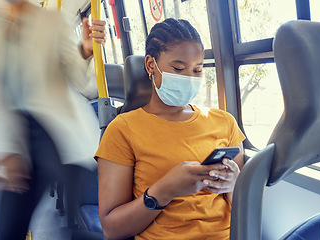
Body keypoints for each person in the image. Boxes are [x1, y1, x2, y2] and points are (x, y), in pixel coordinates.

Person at [95, 18, 245, 240]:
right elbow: (112, 228)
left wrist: (233, 186)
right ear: (150, 65)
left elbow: (243, 206)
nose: (188, 79)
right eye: (178, 68)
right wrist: (165, 190)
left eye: (197, 70)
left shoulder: (224, 122)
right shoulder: (123, 129)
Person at [0, 1, 106, 239]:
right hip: (23, 138)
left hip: (60, 137)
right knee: (8, 226)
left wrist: (85, 49)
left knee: (71, 227)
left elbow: (82, 85)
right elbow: (2, 104)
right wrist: (9, 150)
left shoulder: (54, 22)